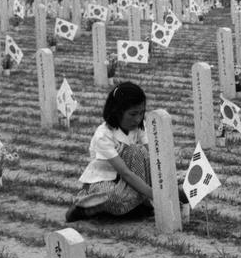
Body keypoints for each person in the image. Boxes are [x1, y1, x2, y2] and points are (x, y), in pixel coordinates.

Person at [66, 81, 184, 222]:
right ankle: (86, 208)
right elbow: (126, 174)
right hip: (109, 180)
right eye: (133, 114)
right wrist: (157, 196)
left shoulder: (140, 127)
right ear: (117, 111)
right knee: (113, 198)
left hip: (136, 177)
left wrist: (167, 182)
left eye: (141, 113)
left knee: (145, 157)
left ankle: (134, 206)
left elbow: (153, 156)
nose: (138, 119)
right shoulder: (103, 135)